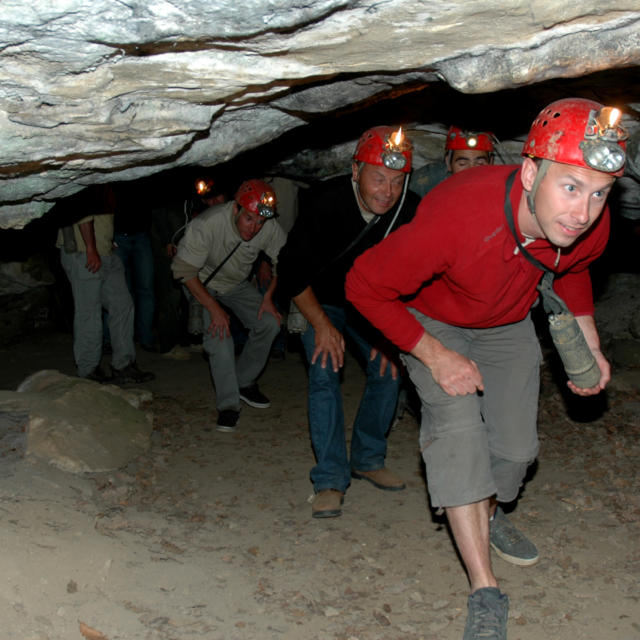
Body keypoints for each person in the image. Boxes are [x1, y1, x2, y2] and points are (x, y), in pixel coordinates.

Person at [345, 98, 627, 639]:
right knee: (458, 432)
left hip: (505, 322)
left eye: (599, 193)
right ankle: (484, 588)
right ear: (529, 172)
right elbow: (363, 284)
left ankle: (489, 511)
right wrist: (433, 353)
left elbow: (572, 263)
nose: (583, 210)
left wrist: (586, 333)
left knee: (517, 452)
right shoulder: (459, 216)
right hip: (435, 320)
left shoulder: (589, 221)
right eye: (570, 187)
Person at [276, 125, 420, 518]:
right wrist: (322, 326)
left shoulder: (409, 210)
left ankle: (368, 458)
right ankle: (329, 479)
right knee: (325, 368)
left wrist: (392, 335)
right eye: (377, 178)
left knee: (389, 369)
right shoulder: (324, 203)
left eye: (396, 181)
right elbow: (290, 273)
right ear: (355, 172)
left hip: (367, 303)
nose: (386, 192)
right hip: (316, 298)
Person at [171, 179, 287, 432]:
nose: (255, 228)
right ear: (236, 209)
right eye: (249, 220)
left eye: (260, 222)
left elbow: (286, 260)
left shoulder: (267, 226)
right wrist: (214, 308)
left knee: (270, 322)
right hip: (200, 282)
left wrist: (268, 297)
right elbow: (183, 270)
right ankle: (228, 405)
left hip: (235, 284)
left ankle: (244, 382)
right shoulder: (207, 224)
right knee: (220, 335)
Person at [56, 184, 155, 385]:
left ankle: (123, 365)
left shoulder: (104, 182)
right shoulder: (84, 179)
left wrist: (107, 241)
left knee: (122, 305)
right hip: (83, 253)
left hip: (105, 251)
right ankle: (88, 369)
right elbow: (82, 213)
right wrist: (92, 248)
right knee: (89, 312)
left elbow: (103, 216)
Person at [409, 126, 495, 197]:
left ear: (491, 162)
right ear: (448, 163)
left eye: (480, 163)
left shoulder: (501, 189)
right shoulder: (427, 181)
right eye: (462, 164)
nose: (471, 171)